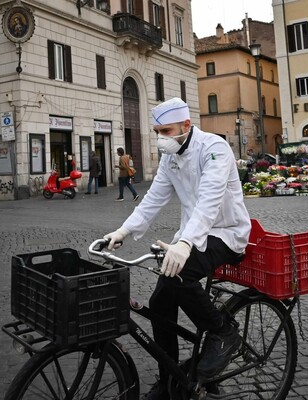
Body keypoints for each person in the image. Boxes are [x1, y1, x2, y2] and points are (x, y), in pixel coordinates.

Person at [103, 97, 251, 400]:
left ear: (186, 125)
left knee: (179, 276)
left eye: (166, 131)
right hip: (191, 235)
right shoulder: (170, 158)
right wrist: (123, 230)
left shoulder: (214, 148)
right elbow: (153, 198)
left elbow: (210, 201)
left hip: (226, 233)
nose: (161, 138)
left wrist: (184, 243)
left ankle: (224, 331)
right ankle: (170, 378)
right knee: (159, 303)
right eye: (157, 131)